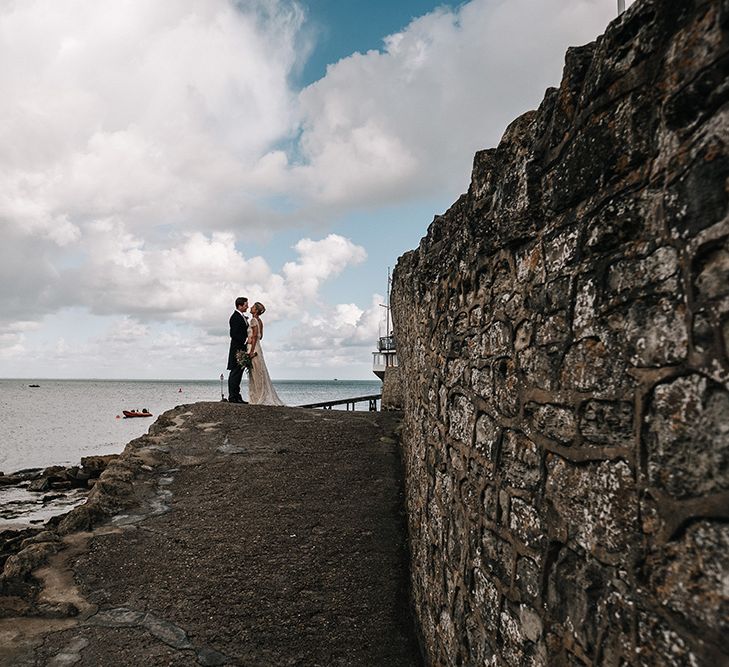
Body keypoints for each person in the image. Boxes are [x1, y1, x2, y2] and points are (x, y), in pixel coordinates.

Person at [246, 302, 285, 406]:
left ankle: (257, 396)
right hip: (258, 347)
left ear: (256, 310)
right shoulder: (260, 321)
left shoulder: (253, 320)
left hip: (253, 348)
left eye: (253, 307)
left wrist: (251, 350)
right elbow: (260, 336)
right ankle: (260, 395)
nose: (251, 308)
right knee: (260, 371)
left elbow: (254, 337)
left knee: (255, 373)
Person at [227, 296, 249, 404]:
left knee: (239, 373)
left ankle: (237, 396)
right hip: (237, 349)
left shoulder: (242, 316)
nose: (247, 306)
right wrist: (246, 340)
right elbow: (233, 334)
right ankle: (232, 397)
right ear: (240, 306)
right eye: (246, 305)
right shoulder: (235, 317)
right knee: (235, 372)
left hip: (242, 349)